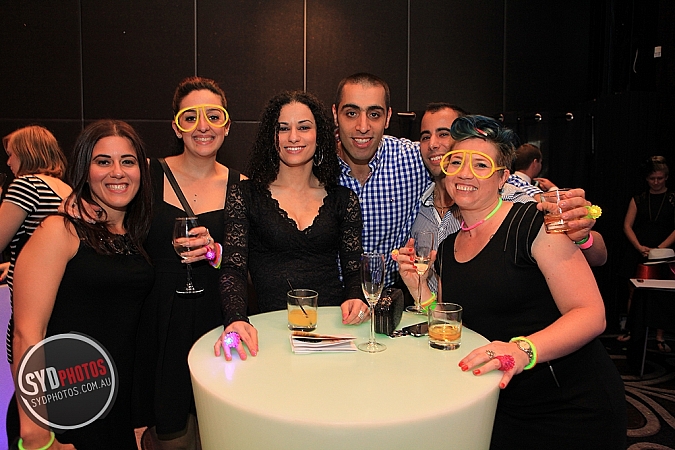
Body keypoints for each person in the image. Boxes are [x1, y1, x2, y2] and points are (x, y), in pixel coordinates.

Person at [413, 115, 625, 449]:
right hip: (503, 404)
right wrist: (417, 287)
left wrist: (522, 349)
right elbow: (452, 326)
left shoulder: (532, 223)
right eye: (456, 162)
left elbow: (590, 314)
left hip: (570, 405)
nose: (465, 173)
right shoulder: (448, 247)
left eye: (480, 165)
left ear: (503, 178)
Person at [12, 119, 154, 449]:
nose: (117, 172)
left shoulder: (136, 234)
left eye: (128, 161)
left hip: (113, 407)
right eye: (103, 161)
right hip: (64, 406)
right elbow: (27, 332)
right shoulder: (60, 230)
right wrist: (35, 431)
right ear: (84, 170)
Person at [397, 104, 607, 302]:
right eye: (426, 136)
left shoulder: (522, 209)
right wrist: (419, 290)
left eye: (444, 134)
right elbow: (449, 315)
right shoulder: (420, 207)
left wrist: (582, 235)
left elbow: (590, 290)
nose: (433, 144)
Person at [134, 76, 244, 450]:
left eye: (214, 116)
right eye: (190, 117)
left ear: (227, 126)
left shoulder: (241, 186)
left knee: (220, 434)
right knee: (172, 438)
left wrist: (215, 253)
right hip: (159, 322)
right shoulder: (145, 176)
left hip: (216, 320)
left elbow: (246, 265)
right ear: (176, 126)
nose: (203, 126)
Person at [215, 90, 367, 361]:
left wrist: (356, 297)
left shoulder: (344, 199)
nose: (293, 137)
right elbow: (233, 269)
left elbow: (354, 271)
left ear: (320, 134)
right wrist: (236, 318)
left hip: (333, 333)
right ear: (271, 136)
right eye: (283, 128)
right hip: (269, 334)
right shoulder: (245, 195)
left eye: (304, 127)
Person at [333, 73, 430, 288]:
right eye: (351, 113)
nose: (363, 126)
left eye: (374, 114)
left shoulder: (413, 160)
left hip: (389, 296)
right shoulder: (314, 164)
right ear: (335, 114)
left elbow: (464, 164)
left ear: (387, 118)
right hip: (326, 299)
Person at [2, 126, 72, 367]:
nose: (8, 162)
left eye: (11, 154)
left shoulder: (26, 186)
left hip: (30, 312)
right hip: (60, 310)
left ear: (27, 153)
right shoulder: (65, 189)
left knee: (29, 380)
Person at [619, 156, 674, 350]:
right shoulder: (638, 199)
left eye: (660, 178)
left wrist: (659, 249)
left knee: (662, 295)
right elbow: (627, 225)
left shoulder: (672, 199)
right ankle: (632, 331)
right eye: (652, 179)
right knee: (633, 292)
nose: (656, 182)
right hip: (639, 251)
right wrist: (638, 246)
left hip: (664, 253)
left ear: (666, 177)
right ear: (647, 179)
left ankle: (660, 336)